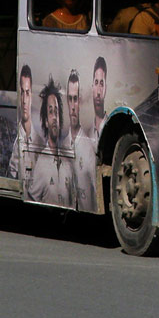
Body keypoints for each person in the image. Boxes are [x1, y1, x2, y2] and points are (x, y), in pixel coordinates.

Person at [28, 77, 76, 207]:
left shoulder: (68, 164)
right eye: (50, 112)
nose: (54, 117)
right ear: (45, 122)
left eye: (56, 112)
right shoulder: (41, 165)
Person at [65, 69, 97, 211]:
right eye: (70, 99)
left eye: (75, 99)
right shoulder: (62, 143)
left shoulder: (88, 148)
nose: (72, 106)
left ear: (80, 102)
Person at [6, 65, 36, 186]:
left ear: (31, 96)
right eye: (22, 93)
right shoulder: (12, 137)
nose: (24, 100)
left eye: (27, 93)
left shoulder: (39, 139)